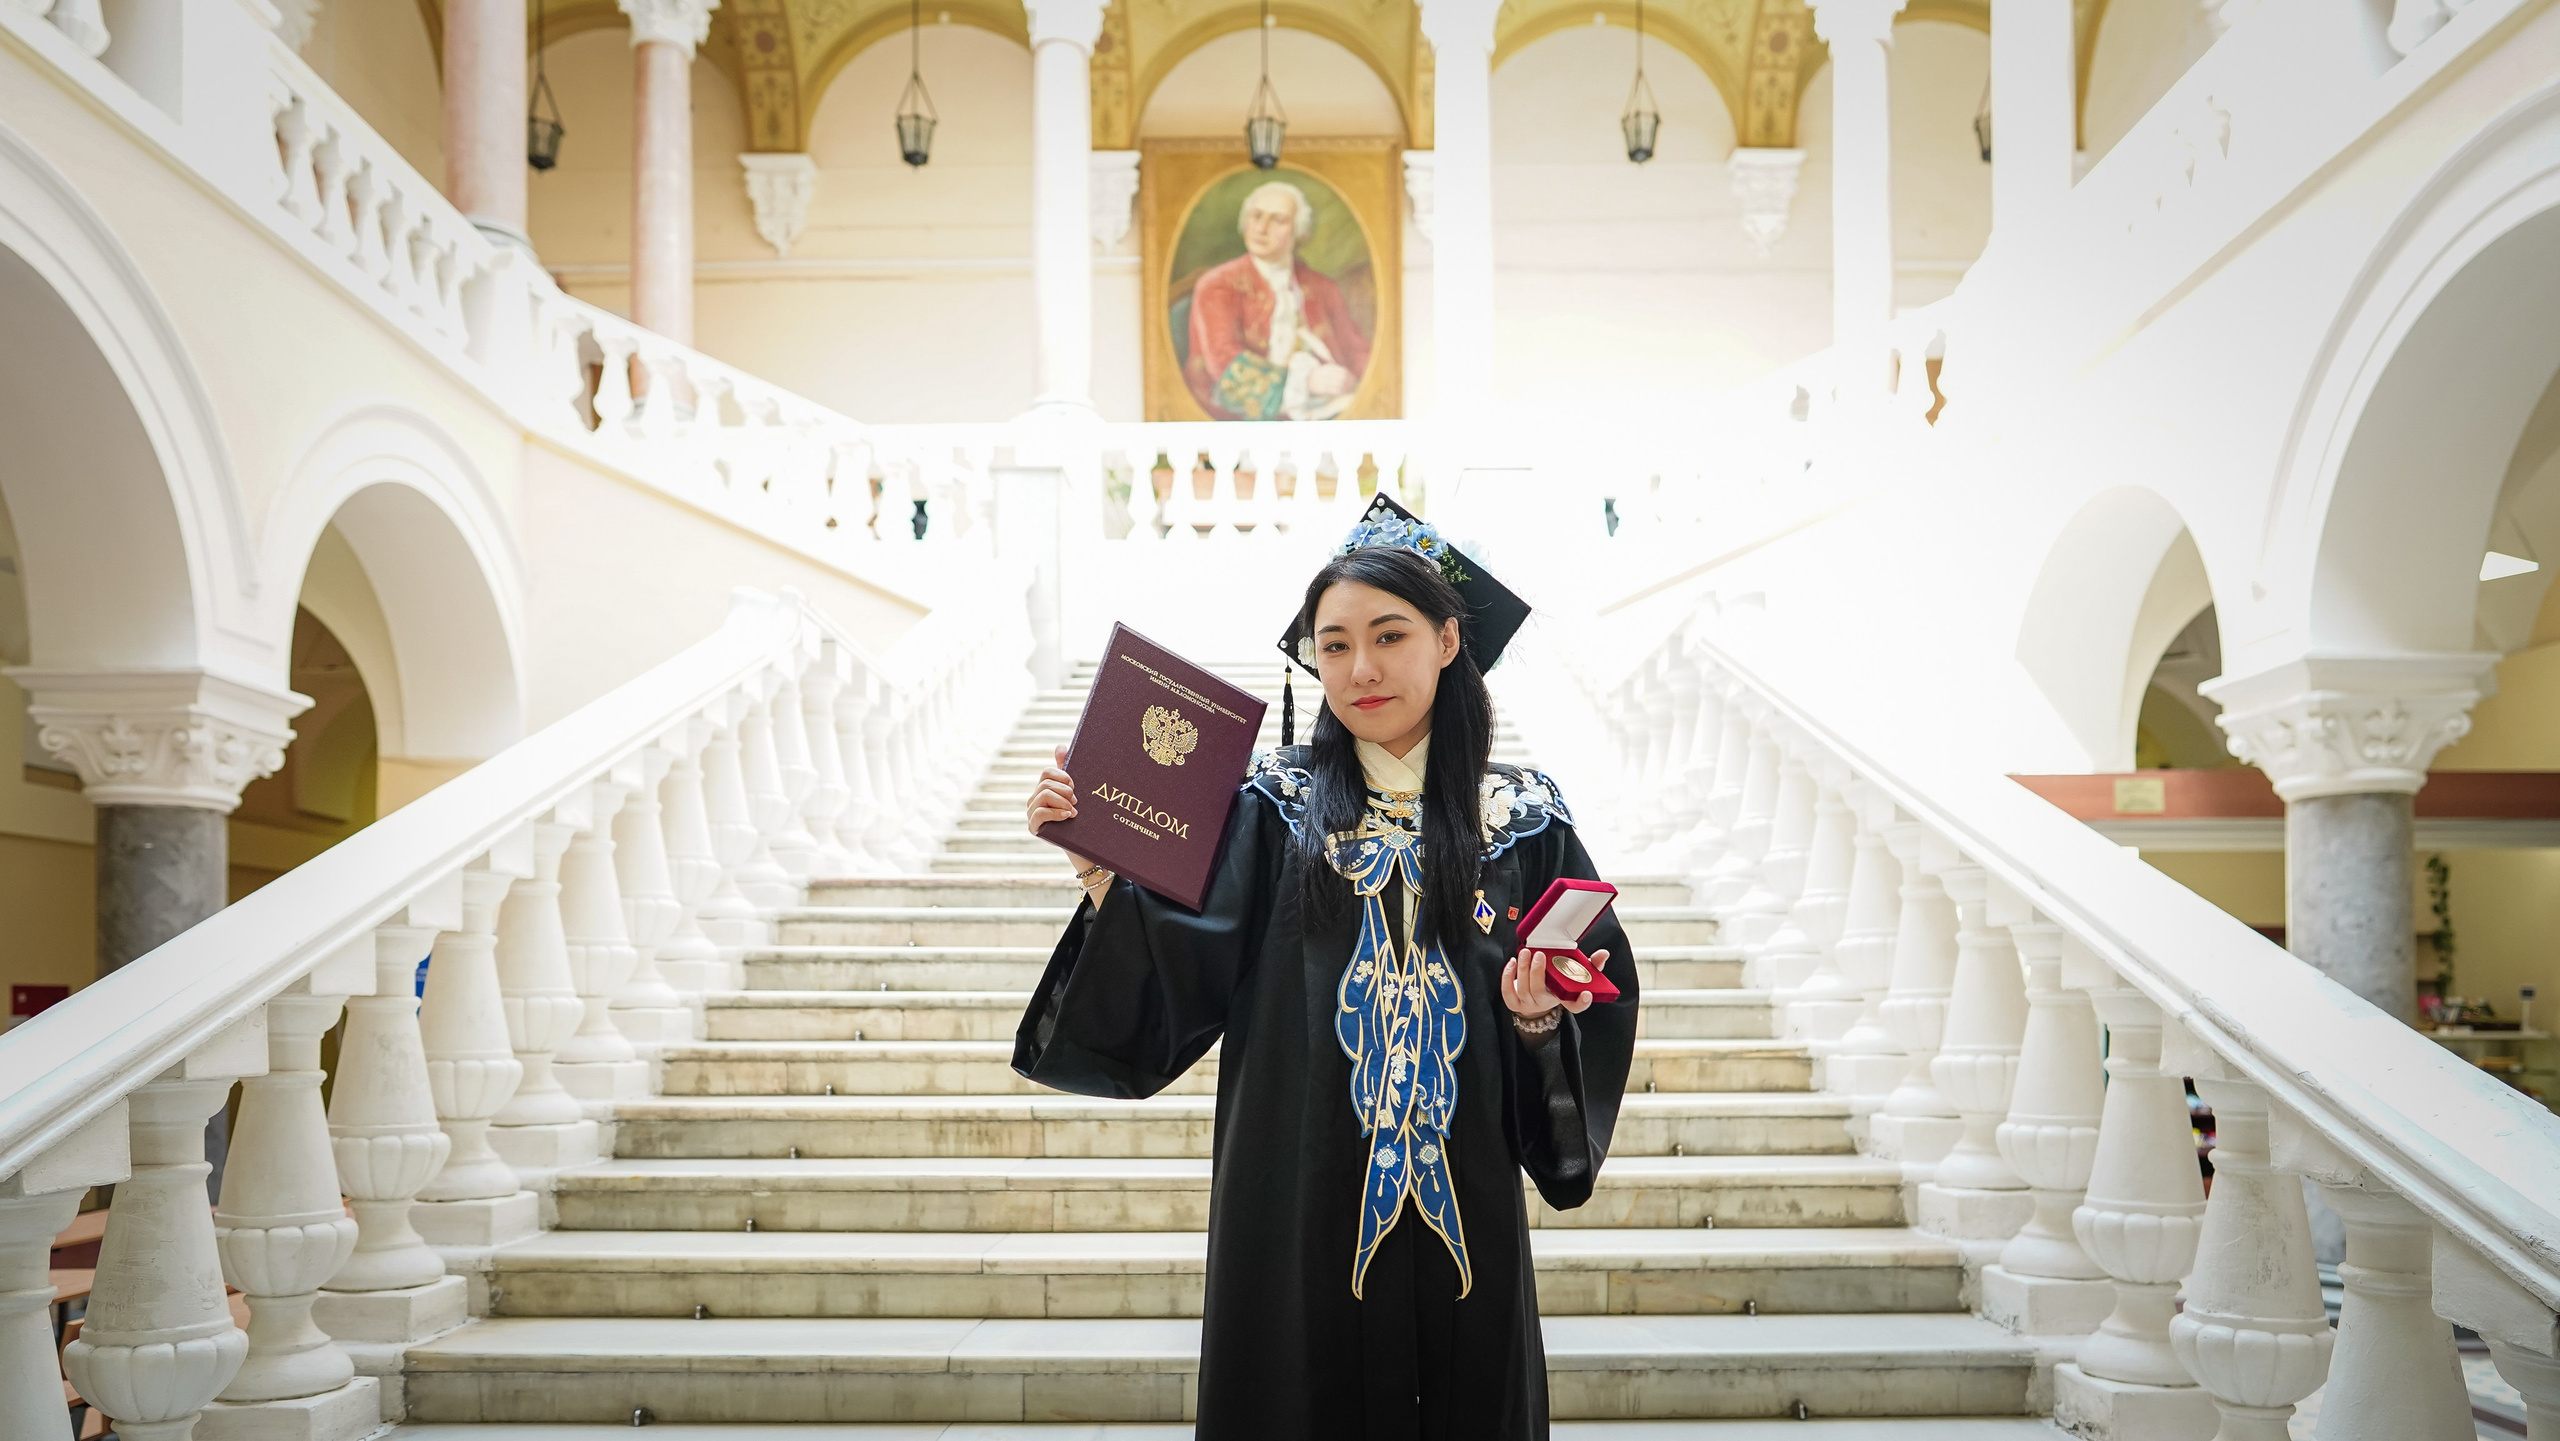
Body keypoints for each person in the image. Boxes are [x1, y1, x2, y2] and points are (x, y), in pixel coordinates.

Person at [1014, 525, 1636, 1439]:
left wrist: (1540, 1021)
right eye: (1334, 645)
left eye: (1389, 635)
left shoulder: (1522, 820)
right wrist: (1101, 872)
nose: (1359, 669)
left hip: (1465, 1212)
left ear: (1448, 640)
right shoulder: (1270, 810)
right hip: (1296, 1214)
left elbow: (1578, 1005)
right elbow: (1178, 973)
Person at [1183, 179, 1374, 421]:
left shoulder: (1322, 286)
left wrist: (1363, 385)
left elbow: (1355, 349)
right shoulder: (1217, 284)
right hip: (1237, 414)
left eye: (1278, 220)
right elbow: (1224, 363)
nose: (1261, 229)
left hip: (1324, 409)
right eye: (1256, 216)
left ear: (1298, 232)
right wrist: (1307, 383)